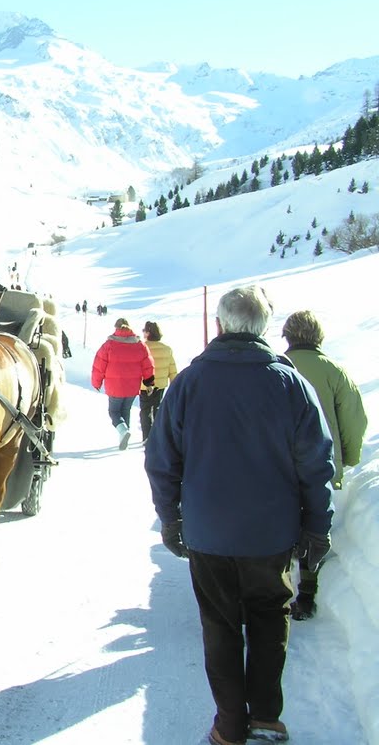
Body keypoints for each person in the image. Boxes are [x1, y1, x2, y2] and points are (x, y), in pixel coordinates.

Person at [145, 285, 335, 745]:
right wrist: (317, 526)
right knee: (271, 619)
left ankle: (230, 724)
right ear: (265, 328)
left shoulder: (189, 382)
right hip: (272, 534)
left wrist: (170, 517)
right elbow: (316, 463)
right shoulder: (292, 385)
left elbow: (161, 458)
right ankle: (267, 715)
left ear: (220, 326)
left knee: (220, 625)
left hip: (208, 533)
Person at [281, 309, 367, 621]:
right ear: (319, 336)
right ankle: (308, 592)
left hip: (281, 465)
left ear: (287, 335)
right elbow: (354, 421)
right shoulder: (334, 371)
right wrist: (349, 458)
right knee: (314, 521)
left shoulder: (275, 368)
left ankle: (280, 584)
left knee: (283, 521)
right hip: (324, 463)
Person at [90, 317, 155, 450]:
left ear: (116, 328)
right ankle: (124, 436)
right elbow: (147, 365)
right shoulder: (139, 344)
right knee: (126, 410)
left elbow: (99, 365)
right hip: (132, 387)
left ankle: (124, 432)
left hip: (115, 387)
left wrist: (96, 383)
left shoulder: (109, 345)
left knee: (114, 412)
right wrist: (149, 382)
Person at [139, 320, 178, 443]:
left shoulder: (141, 347)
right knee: (157, 408)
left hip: (145, 384)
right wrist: (174, 384)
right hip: (160, 385)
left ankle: (146, 436)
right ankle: (157, 435)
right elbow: (172, 369)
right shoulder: (167, 349)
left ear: (148, 332)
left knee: (145, 410)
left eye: (144, 330)